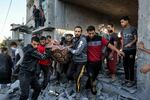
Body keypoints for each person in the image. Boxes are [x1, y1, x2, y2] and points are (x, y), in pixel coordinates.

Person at [86, 25, 124, 95]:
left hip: (98, 62)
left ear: (95, 32)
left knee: (94, 76)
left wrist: (117, 51)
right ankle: (93, 88)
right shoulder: (86, 39)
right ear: (87, 33)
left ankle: (87, 85)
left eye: (92, 33)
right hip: (89, 62)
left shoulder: (100, 38)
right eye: (89, 33)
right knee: (91, 75)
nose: (91, 35)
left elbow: (109, 45)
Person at [67, 26, 87, 98]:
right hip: (74, 60)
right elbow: (73, 46)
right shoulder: (75, 39)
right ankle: (71, 83)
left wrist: (69, 50)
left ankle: (78, 91)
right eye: (76, 31)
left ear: (81, 32)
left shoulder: (83, 40)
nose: (77, 33)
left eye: (79, 31)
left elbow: (77, 52)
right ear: (74, 32)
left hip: (81, 61)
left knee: (77, 77)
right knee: (68, 74)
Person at [120, 16, 137, 87]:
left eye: (122, 22)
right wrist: (121, 48)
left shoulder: (133, 29)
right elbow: (123, 40)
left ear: (127, 21)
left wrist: (130, 43)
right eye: (120, 22)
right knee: (125, 65)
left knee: (131, 65)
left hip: (131, 50)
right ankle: (127, 79)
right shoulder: (122, 30)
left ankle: (132, 80)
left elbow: (136, 39)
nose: (121, 23)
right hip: (125, 50)